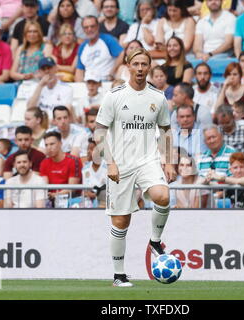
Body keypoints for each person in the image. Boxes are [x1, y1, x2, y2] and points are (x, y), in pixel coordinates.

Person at [94, 48, 176, 287]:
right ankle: (119, 275)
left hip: (147, 159)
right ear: (128, 66)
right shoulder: (115, 95)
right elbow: (99, 131)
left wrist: (169, 160)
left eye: (144, 64)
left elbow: (165, 130)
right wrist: (110, 162)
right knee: (121, 222)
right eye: (136, 64)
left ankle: (155, 241)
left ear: (149, 67)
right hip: (120, 164)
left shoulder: (158, 97)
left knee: (163, 195)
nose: (140, 68)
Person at [39, 131, 83, 207]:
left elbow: (72, 188)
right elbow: (44, 186)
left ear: (60, 143)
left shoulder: (73, 160)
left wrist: (56, 195)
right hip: (51, 201)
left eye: (52, 144)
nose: (49, 147)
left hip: (71, 202)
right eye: (46, 145)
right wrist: (49, 195)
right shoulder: (44, 163)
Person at [75, 15, 124, 82]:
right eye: (86, 27)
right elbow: (79, 70)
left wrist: (112, 72)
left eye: (92, 26)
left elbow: (122, 53)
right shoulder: (82, 47)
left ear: (98, 26)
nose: (89, 29)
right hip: (89, 84)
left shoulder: (107, 39)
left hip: (106, 81)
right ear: (83, 29)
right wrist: (80, 86)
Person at [82, 138, 107, 208]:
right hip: (88, 203)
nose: (88, 152)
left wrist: (96, 195)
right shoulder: (85, 168)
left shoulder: (109, 167)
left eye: (91, 149)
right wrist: (87, 194)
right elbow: (84, 189)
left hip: (106, 202)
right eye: (87, 149)